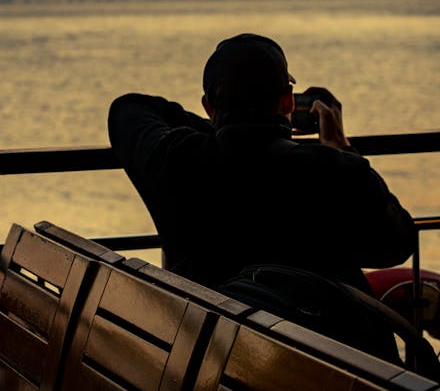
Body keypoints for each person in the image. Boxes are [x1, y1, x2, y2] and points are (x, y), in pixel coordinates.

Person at [107, 33, 417, 360]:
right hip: (341, 363)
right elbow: (398, 244)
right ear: (286, 102)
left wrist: (226, 126)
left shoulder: (177, 162)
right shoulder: (339, 171)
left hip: (218, 359)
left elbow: (128, 107)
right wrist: (342, 147)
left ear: (209, 106)